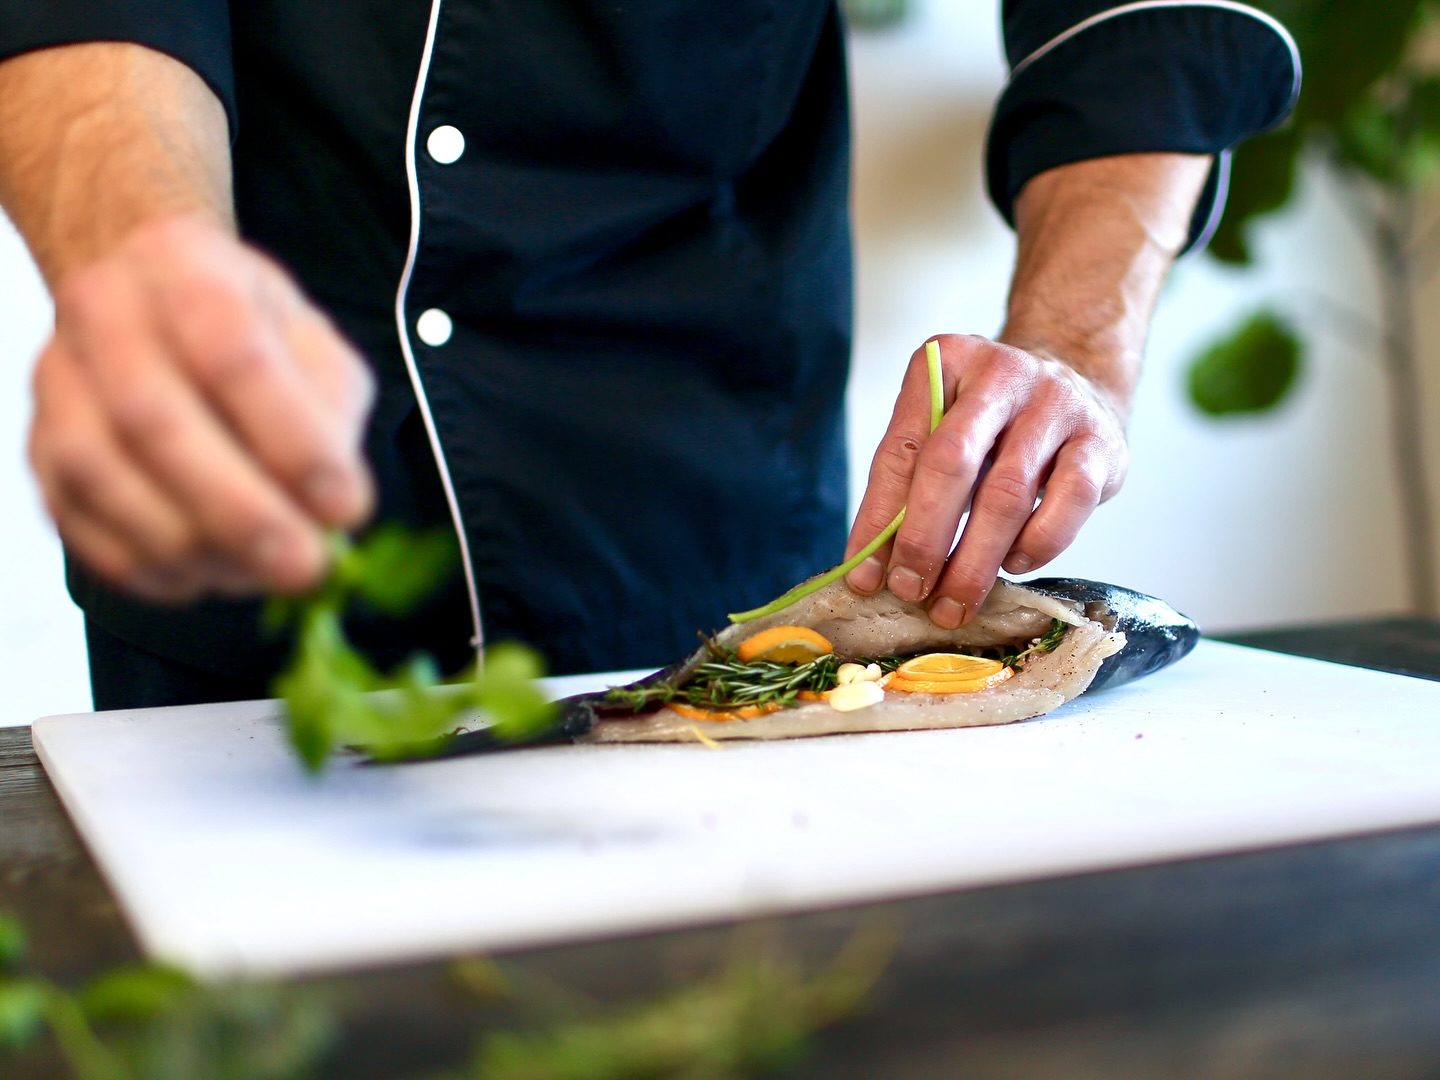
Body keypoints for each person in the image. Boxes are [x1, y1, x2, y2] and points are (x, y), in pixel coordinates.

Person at [0, 3, 1298, 710]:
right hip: (238, 546)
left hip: (695, 538)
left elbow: (1140, 18)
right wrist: (147, 272)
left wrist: (1069, 351)